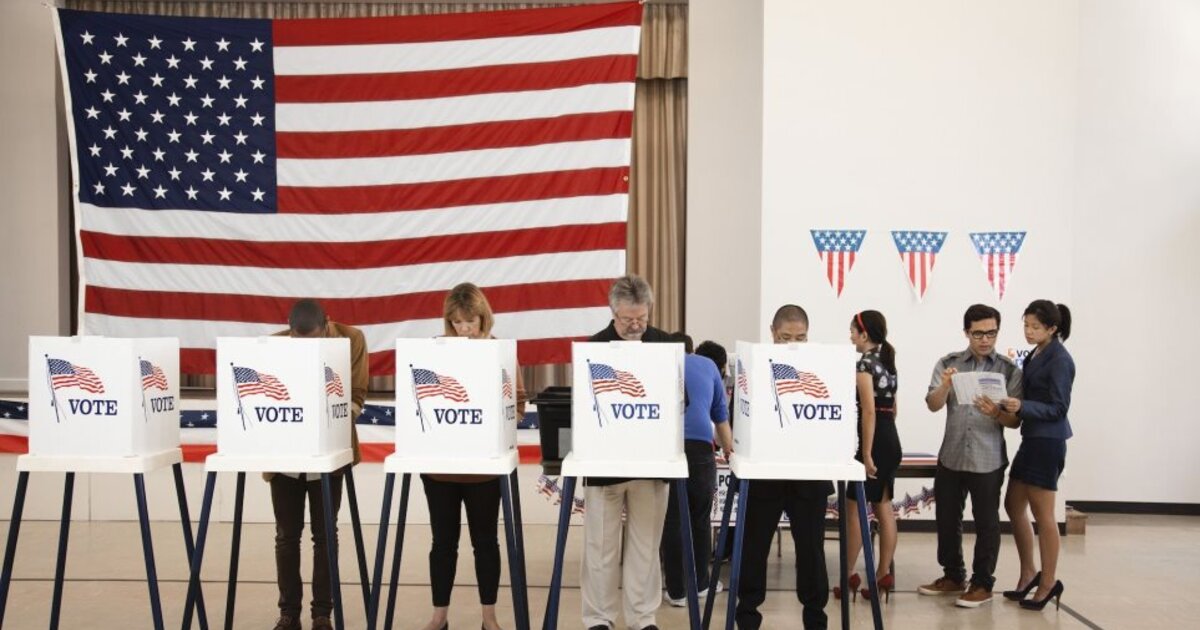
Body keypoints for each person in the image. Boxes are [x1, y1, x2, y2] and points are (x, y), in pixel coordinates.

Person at [419, 283, 527, 630]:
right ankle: (439, 616)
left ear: (484, 318)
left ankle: (488, 618)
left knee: (486, 543)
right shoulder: (435, 352)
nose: (464, 329)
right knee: (442, 543)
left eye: (470, 321)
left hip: (484, 470)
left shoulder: (500, 352)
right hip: (441, 470)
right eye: (457, 322)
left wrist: (502, 423)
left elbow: (519, 404)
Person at [581, 275, 674, 630]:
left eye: (642, 318)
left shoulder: (665, 344)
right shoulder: (594, 348)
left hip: (651, 464)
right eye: (627, 319)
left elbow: (681, 401)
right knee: (600, 548)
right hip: (605, 465)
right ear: (612, 312)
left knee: (645, 547)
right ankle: (599, 619)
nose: (635, 326)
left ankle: (642, 618)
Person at [269, 299, 368, 630]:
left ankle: (322, 613)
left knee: (325, 534)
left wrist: (330, 419)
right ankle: (288, 613)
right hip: (286, 457)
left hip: (328, 455)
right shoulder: (273, 345)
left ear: (327, 324)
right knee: (286, 536)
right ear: (290, 330)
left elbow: (357, 395)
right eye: (300, 342)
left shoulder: (351, 339)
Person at [917, 304, 1022, 608]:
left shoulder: (1009, 370)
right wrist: (946, 385)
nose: (985, 339)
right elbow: (932, 404)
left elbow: (1015, 422)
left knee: (987, 522)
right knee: (947, 519)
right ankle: (953, 576)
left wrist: (996, 413)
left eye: (991, 333)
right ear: (966, 332)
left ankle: (982, 583)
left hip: (988, 459)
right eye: (978, 334)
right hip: (951, 455)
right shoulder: (948, 363)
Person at [735, 305, 833, 630]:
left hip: (808, 474)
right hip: (766, 474)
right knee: (754, 548)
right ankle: (747, 618)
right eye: (785, 337)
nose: (793, 343)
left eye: (800, 338)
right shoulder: (754, 366)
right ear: (772, 333)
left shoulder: (821, 368)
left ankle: (815, 620)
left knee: (811, 552)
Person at [988, 300, 1074, 611]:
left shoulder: (1060, 359)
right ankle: (1028, 573)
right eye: (1026, 325)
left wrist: (1023, 406)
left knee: (1044, 515)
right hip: (1032, 439)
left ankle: (1048, 582)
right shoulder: (1036, 353)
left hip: (1048, 442)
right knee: (1013, 504)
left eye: (1035, 327)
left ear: (1052, 328)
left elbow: (1059, 408)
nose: (1028, 331)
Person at [661, 336, 734, 607]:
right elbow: (720, 417)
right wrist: (730, 452)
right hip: (701, 449)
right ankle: (701, 584)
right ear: (691, 349)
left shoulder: (661, 363)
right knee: (700, 518)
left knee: (672, 520)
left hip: (667, 446)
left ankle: (676, 591)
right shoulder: (708, 365)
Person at [840, 310, 902, 603]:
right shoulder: (888, 361)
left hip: (875, 443)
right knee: (884, 508)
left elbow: (867, 411)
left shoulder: (864, 364)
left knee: (853, 509)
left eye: (853, 331)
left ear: (864, 334)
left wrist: (866, 452)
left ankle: (848, 574)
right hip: (891, 439)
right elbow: (893, 409)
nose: (851, 336)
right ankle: (882, 574)